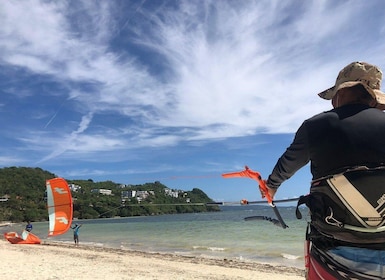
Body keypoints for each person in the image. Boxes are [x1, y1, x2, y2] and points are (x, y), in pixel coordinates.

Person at [264, 61, 385, 279]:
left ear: (340, 93)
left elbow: (285, 167)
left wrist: (270, 187)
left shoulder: (316, 126)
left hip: (333, 254)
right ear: (374, 97)